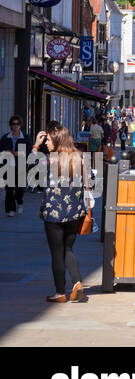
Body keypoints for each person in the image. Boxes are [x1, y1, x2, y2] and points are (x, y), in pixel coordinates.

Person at [36, 126, 89, 304]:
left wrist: (35, 146)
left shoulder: (49, 160)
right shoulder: (80, 158)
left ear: (58, 140)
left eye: (48, 140)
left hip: (53, 214)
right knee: (67, 249)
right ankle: (77, 282)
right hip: (74, 213)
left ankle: (60, 292)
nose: (46, 143)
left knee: (57, 253)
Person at [2, 117, 31, 216]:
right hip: (8, 166)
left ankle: (19, 202)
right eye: (13, 124)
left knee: (19, 189)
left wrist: (20, 153)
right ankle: (10, 210)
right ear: (10, 125)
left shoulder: (25, 138)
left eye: (17, 124)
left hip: (21, 166)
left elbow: (30, 152)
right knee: (9, 189)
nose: (15, 126)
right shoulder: (5, 137)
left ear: (20, 125)